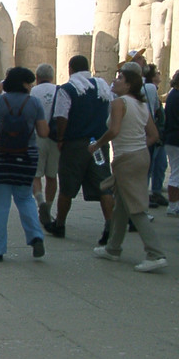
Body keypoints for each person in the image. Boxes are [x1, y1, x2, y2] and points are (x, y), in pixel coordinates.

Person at [91, 62, 167, 272]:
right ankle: (113, 248)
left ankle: (155, 253)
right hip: (140, 155)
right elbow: (154, 135)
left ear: (128, 85)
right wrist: (138, 146)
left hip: (127, 158)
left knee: (135, 206)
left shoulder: (119, 103)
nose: (115, 81)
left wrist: (97, 144)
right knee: (122, 206)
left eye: (119, 79)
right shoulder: (141, 104)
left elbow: (114, 130)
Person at [0, 67, 48, 262]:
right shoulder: (34, 103)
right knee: (25, 198)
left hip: (0, 156)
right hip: (26, 156)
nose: (31, 86)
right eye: (29, 83)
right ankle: (36, 236)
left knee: (0, 204)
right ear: (23, 84)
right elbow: (43, 132)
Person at [46, 55, 114, 242]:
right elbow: (110, 112)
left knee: (67, 186)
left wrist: (61, 137)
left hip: (75, 144)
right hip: (98, 143)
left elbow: (62, 116)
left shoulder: (67, 89)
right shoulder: (102, 86)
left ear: (70, 69)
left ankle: (60, 224)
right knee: (104, 184)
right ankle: (110, 225)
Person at [29, 63, 60, 225]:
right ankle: (48, 206)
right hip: (55, 137)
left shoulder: (33, 92)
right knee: (52, 176)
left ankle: (40, 202)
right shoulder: (59, 91)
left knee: (36, 175)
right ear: (52, 77)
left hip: (37, 136)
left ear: (37, 77)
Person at [143, 63, 168, 207]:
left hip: (157, 133)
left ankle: (156, 192)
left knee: (160, 164)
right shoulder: (150, 89)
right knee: (149, 165)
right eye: (157, 73)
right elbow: (153, 111)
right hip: (152, 131)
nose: (159, 74)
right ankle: (145, 196)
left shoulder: (153, 89)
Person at [162, 69, 179, 216]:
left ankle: (174, 204)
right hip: (176, 139)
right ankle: (173, 206)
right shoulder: (176, 96)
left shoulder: (173, 94)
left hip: (172, 138)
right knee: (176, 174)